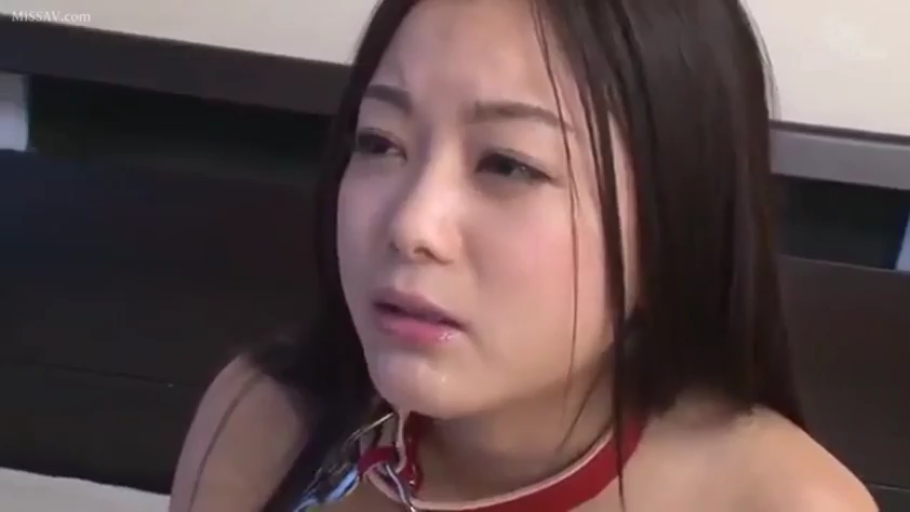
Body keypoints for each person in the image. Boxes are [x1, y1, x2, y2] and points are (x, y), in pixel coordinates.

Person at [169, 0, 878, 510]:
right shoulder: (262, 422)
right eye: (380, 141)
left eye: (508, 164)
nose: (413, 225)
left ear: (674, 224)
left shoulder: (783, 502)